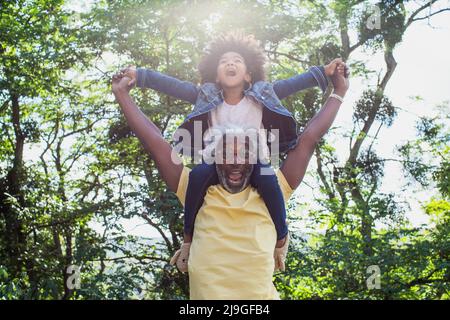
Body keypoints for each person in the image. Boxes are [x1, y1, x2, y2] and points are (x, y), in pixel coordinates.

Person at [111, 56, 349, 299]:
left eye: (244, 152)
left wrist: (337, 89)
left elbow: (309, 137)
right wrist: (125, 93)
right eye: (227, 152)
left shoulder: (271, 188)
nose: (236, 159)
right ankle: (188, 238)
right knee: (200, 174)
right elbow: (156, 143)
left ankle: (282, 236)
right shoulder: (199, 190)